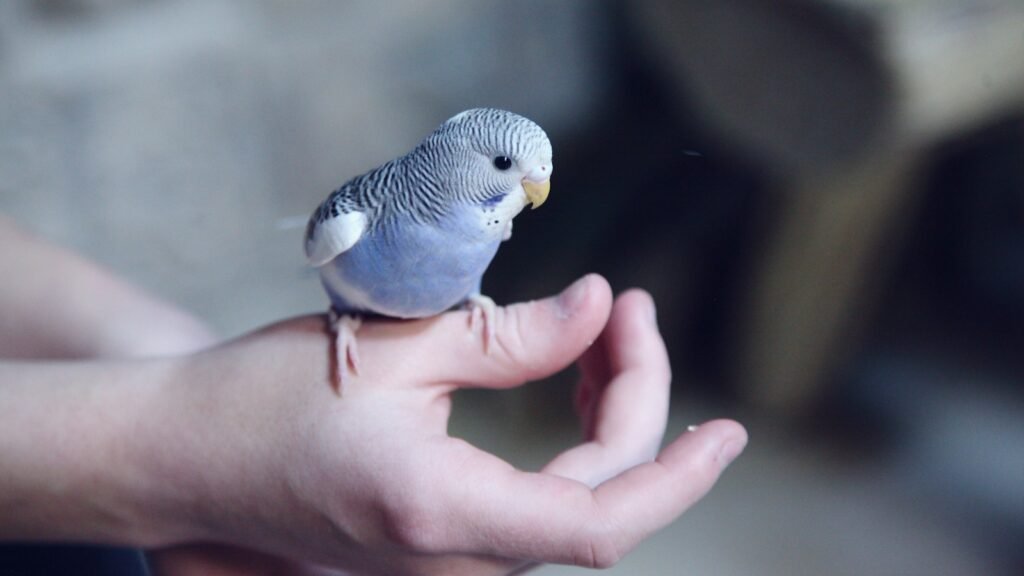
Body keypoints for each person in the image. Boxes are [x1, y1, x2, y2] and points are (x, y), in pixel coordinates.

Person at [0, 215, 747, 575]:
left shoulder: (484, 223)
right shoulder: (366, 216)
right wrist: (179, 447)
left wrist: (179, 364)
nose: (531, 191)